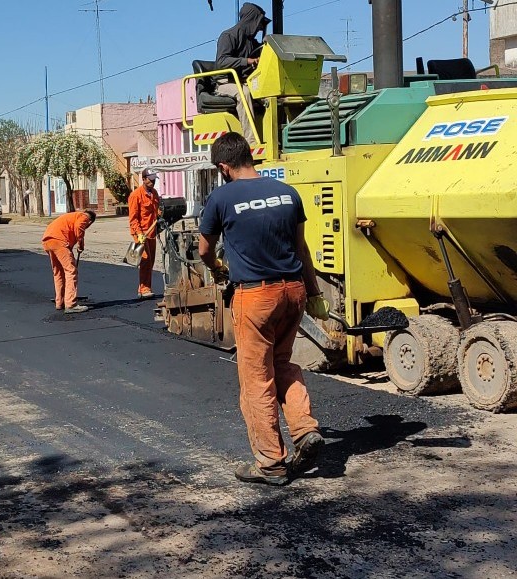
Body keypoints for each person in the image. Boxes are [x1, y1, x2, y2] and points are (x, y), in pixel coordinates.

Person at [198, 132, 330, 486]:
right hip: (294, 291)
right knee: (282, 363)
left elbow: (203, 250)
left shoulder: (221, 198)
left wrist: (216, 269)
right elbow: (302, 249)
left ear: (224, 167)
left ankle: (271, 463)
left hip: (255, 297)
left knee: (256, 378)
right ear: (249, 157)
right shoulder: (288, 194)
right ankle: (304, 429)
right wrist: (315, 293)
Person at [215, 2, 270, 144]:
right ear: (251, 20)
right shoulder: (228, 36)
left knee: (270, 96)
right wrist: (247, 61)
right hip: (225, 83)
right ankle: (251, 141)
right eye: (258, 23)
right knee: (243, 93)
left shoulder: (252, 42)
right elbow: (222, 61)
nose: (259, 28)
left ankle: (273, 138)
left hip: (245, 81)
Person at [42, 210, 96, 314]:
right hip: (59, 241)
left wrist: (70, 247)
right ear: (90, 222)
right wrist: (81, 245)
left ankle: (60, 302)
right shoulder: (84, 217)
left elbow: (68, 230)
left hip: (48, 241)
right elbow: (79, 227)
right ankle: (71, 304)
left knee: (59, 272)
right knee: (71, 271)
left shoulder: (72, 216)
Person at [128, 168, 161, 299]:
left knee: (151, 261)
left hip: (151, 232)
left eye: (154, 179)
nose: (152, 181)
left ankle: (145, 287)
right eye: (150, 179)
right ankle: (144, 289)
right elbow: (133, 218)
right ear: (143, 179)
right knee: (145, 260)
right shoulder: (136, 195)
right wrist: (139, 233)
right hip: (141, 233)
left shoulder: (154, 193)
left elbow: (156, 211)